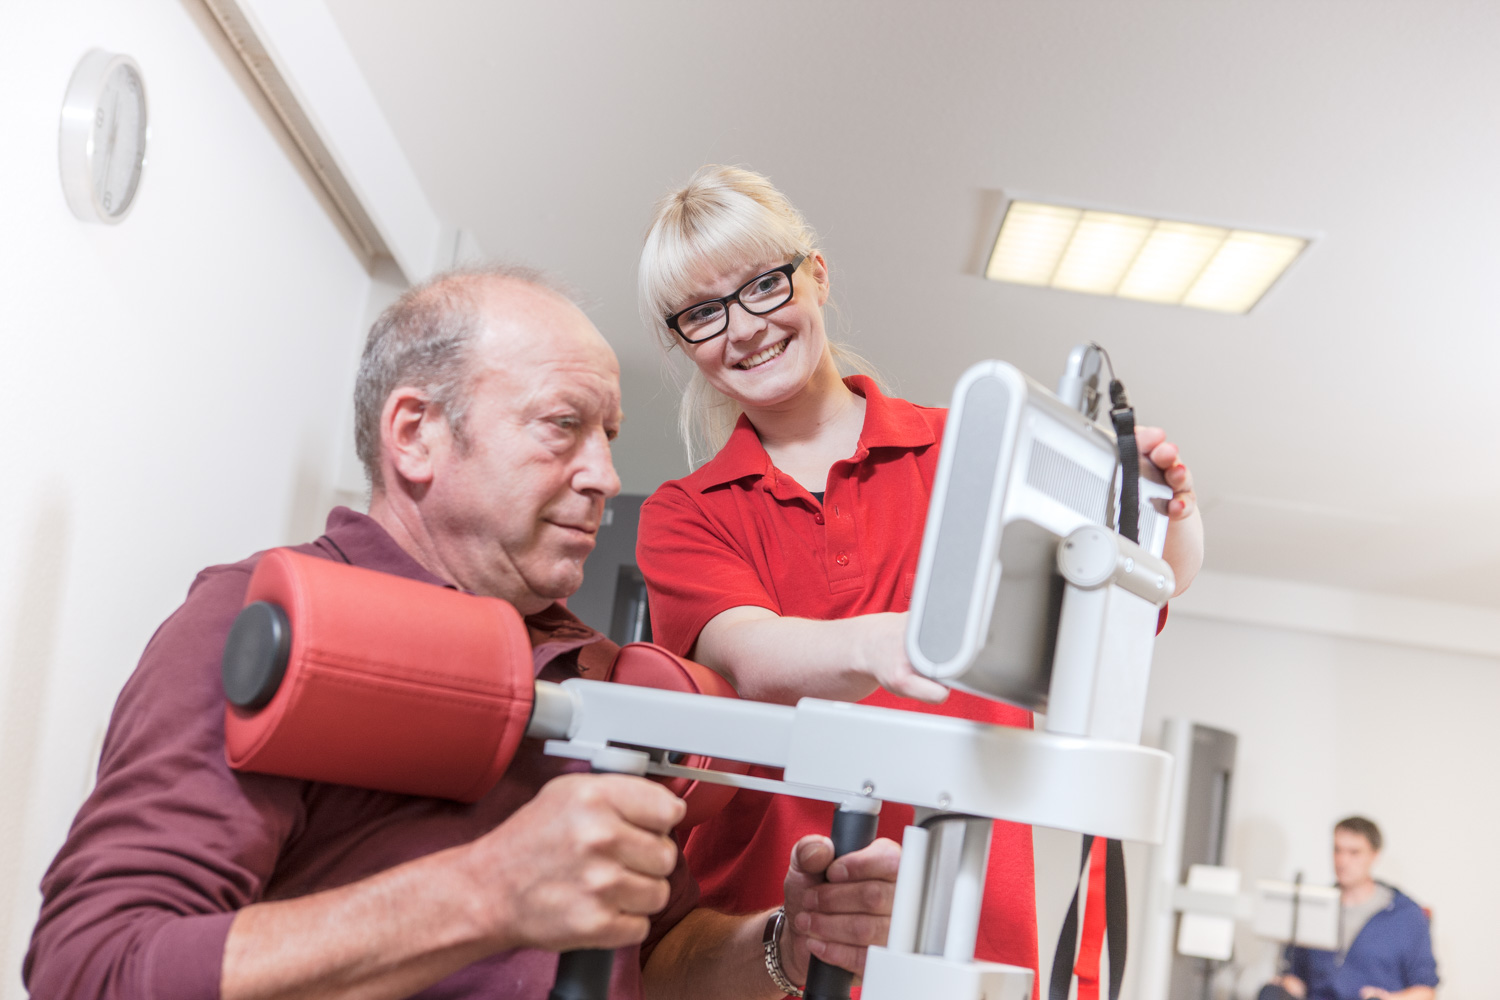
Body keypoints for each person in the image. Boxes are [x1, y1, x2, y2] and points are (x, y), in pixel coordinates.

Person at [24, 266, 901, 1000]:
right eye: (564, 426)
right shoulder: (259, 620)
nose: (605, 475)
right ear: (415, 434)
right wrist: (485, 894)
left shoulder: (596, 676)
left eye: (609, 436)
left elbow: (650, 955)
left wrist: (789, 941)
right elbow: (92, 967)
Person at [633, 165, 1205, 980]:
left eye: (764, 284)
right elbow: (751, 658)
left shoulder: (978, 448)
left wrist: (1169, 507)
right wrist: (896, 641)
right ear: (682, 339)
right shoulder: (688, 512)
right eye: (703, 312)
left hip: (966, 946)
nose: (744, 327)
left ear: (817, 275)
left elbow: (1151, 581)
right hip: (766, 948)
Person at [1267, 817, 1438, 1000]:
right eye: (1337, 850)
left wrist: (1388, 998)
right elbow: (1297, 975)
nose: (1342, 861)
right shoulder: (1315, 908)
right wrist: (1287, 987)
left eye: (1354, 852)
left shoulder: (1405, 915)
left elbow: (1426, 991)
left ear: (1374, 855)